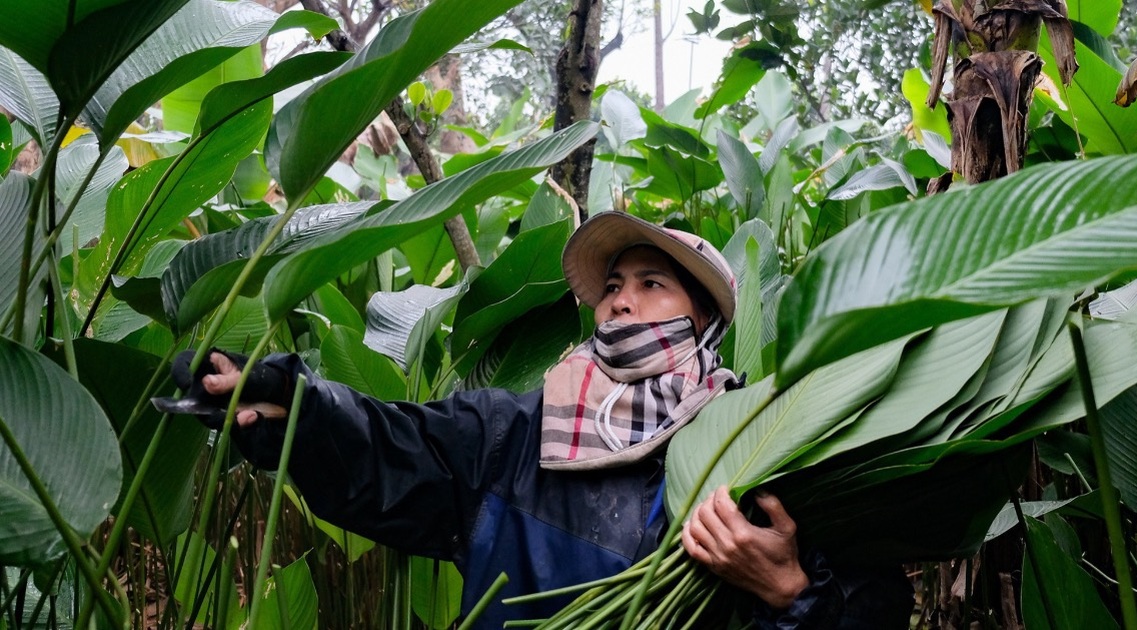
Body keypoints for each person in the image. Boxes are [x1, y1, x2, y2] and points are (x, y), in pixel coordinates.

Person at [175, 212, 912, 627]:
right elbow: (391, 448)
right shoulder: (514, 434)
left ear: (707, 320)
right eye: (613, 287)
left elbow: (875, 608)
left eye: (652, 284)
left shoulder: (762, 449)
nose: (621, 301)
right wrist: (293, 408)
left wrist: (791, 592)